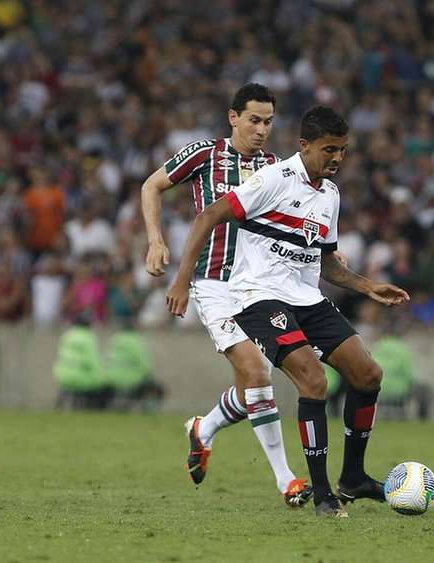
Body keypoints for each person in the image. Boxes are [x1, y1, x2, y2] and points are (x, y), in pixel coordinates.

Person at [166, 106, 410, 517]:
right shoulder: (274, 179)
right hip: (256, 295)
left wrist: (368, 285)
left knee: (369, 375)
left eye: (343, 151)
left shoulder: (330, 195)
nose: (336, 158)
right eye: (329, 149)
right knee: (314, 382)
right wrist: (181, 279)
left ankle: (352, 478)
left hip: (306, 296)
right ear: (304, 146)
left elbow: (327, 263)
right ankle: (322, 494)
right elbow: (210, 215)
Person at [141, 83, 311, 507]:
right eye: (253, 120)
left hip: (261, 288)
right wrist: (155, 240)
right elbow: (151, 187)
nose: (261, 130)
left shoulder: (277, 166)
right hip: (214, 284)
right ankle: (286, 480)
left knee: (251, 384)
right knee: (258, 375)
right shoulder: (204, 154)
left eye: (269, 122)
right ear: (233, 118)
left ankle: (204, 428)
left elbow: (297, 219)